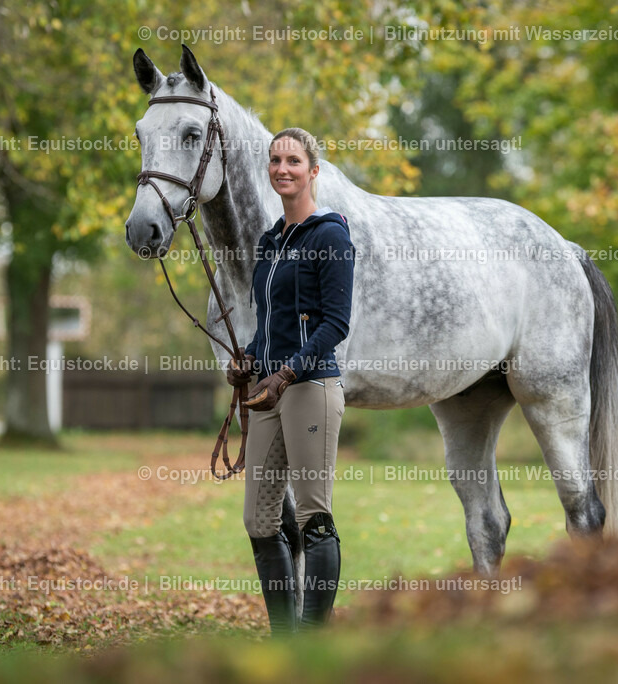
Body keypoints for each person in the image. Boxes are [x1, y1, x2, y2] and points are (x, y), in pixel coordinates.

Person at [226, 127, 355, 635]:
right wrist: (249, 359)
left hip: (311, 388)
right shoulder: (271, 240)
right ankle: (285, 639)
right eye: (275, 160)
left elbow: (335, 324)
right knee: (259, 520)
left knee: (312, 516)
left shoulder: (331, 235)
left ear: (313, 170)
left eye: (294, 161)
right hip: (269, 391)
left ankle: (313, 640)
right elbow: (269, 323)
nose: (283, 168)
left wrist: (288, 372)